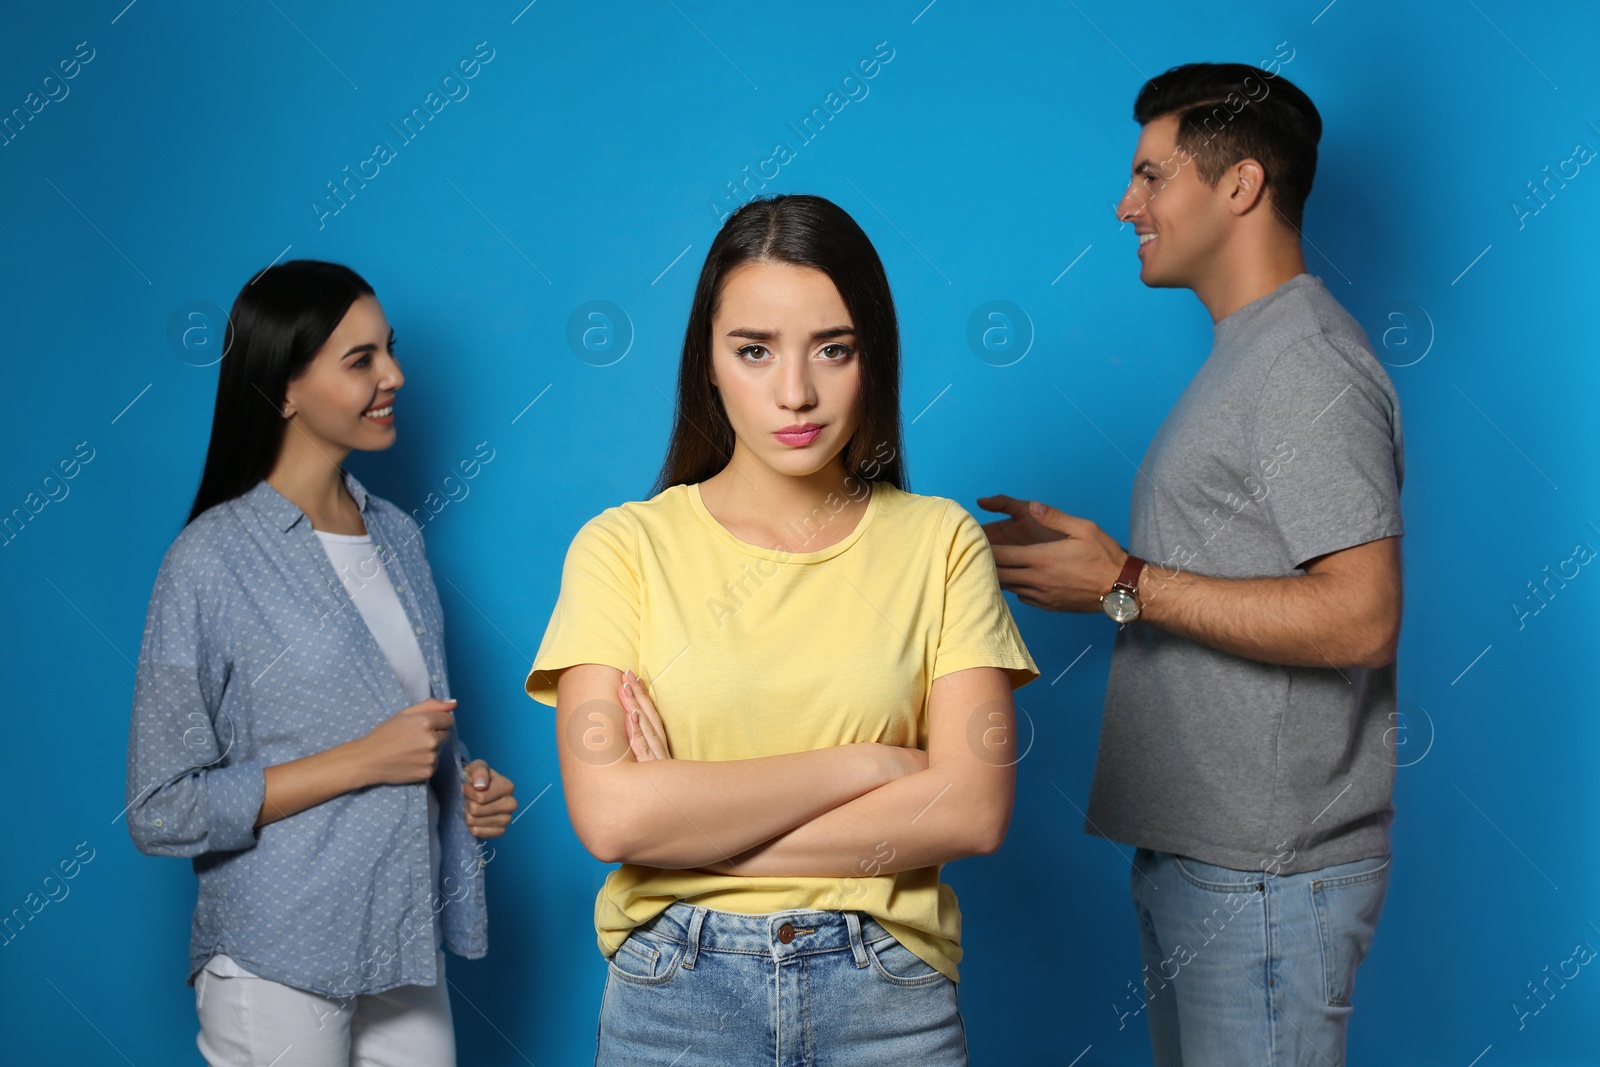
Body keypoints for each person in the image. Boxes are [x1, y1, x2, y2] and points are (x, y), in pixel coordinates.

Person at [527, 194, 1037, 1065]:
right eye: (754, 350)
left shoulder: (939, 541)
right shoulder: (624, 547)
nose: (795, 392)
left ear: (871, 356)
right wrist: (867, 765)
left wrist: (691, 819)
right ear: (709, 365)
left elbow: (973, 807)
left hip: (888, 999)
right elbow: (613, 818)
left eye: (832, 349)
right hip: (675, 998)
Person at [980, 63, 1404, 1065]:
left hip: (1267, 878)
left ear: (1240, 186)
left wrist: (1124, 580)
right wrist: (1091, 571)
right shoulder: (1247, 355)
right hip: (1213, 866)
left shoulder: (1304, 360)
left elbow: (1360, 615)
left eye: (1150, 175)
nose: (1125, 203)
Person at [125, 259, 518, 1066]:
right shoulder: (209, 560)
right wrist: (362, 761)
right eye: (361, 359)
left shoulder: (400, 538)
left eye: (390, 351)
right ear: (287, 386)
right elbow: (158, 808)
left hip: (404, 933)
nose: (395, 376)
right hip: (279, 950)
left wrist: (466, 783)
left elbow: (412, 723)